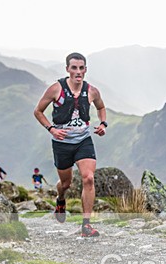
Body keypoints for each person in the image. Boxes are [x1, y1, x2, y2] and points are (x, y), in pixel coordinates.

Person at [33, 52, 107, 238]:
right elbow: (38, 111)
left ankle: (86, 225)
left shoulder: (92, 91)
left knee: (88, 178)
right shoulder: (55, 89)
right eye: (74, 68)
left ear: (85, 70)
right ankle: (60, 199)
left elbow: (101, 107)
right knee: (66, 183)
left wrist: (103, 124)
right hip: (62, 143)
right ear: (67, 69)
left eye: (81, 68)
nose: (78, 72)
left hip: (83, 140)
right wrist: (51, 129)